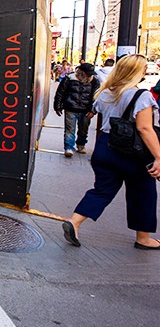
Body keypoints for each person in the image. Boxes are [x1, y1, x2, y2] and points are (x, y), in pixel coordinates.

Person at [62, 54, 160, 250]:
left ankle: (75, 221)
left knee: (102, 190)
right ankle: (143, 238)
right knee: (144, 192)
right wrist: (158, 156)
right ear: (136, 72)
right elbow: (144, 128)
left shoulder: (105, 93)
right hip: (132, 151)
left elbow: (96, 117)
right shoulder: (142, 96)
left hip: (105, 146)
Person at [54, 62, 100, 157]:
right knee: (70, 129)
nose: (89, 76)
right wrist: (57, 106)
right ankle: (69, 147)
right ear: (81, 71)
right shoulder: (69, 79)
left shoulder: (94, 81)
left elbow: (95, 97)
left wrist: (92, 110)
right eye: (87, 73)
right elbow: (60, 93)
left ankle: (81, 144)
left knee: (84, 129)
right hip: (71, 108)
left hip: (86, 109)